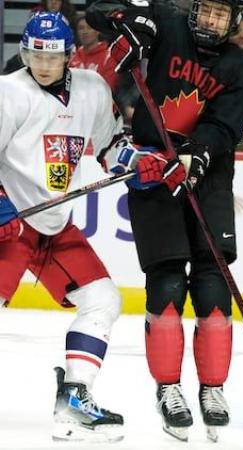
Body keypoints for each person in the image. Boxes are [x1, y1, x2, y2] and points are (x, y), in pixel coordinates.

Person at [87, 0, 243, 440]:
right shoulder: (167, 21)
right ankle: (168, 389)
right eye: (206, 11)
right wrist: (131, 27)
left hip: (211, 178)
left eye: (221, 16)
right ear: (195, 10)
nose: (210, 22)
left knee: (212, 281)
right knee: (166, 282)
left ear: (235, 21)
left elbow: (225, 127)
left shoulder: (242, 68)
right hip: (152, 172)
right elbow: (96, 11)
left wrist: (197, 152)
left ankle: (213, 389)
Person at [0, 11, 127, 442]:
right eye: (36, 54)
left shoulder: (92, 89)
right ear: (24, 52)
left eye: (52, 57)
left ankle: (74, 398)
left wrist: (136, 161)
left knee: (103, 300)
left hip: (54, 225)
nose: (44, 64)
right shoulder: (8, 92)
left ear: (70, 56)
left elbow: (112, 144)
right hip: (12, 220)